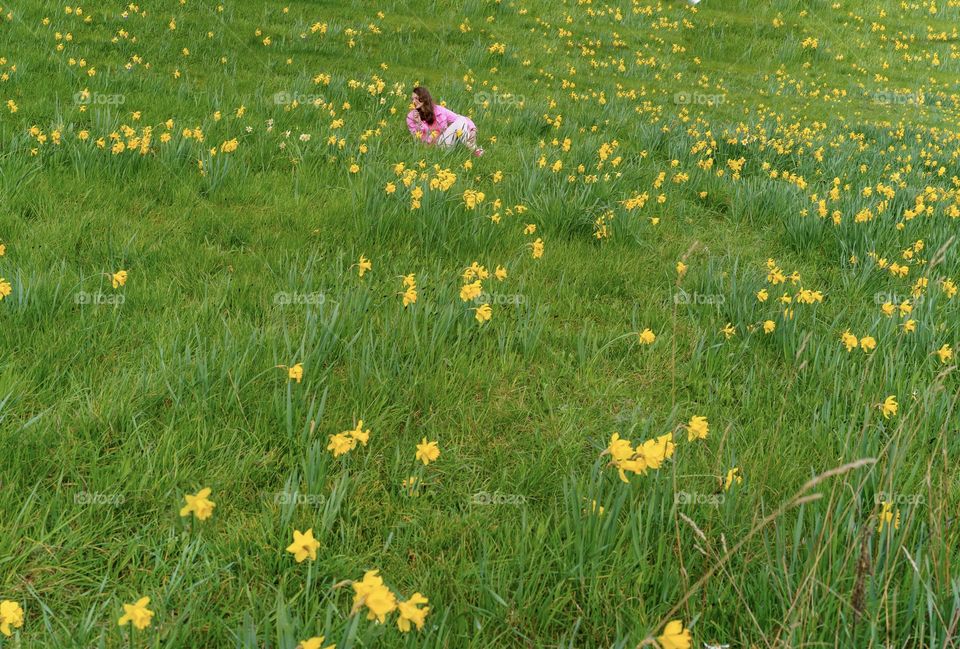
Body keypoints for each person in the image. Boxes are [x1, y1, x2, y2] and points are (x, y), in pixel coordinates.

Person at [407, 86, 483, 156]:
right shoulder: (411, 117)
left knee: (461, 120)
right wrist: (419, 123)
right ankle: (474, 149)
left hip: (445, 141)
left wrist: (472, 129)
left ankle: (472, 148)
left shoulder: (438, 110)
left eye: (416, 98)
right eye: (412, 99)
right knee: (461, 123)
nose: (414, 101)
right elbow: (418, 140)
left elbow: (459, 118)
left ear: (424, 98)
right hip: (433, 148)